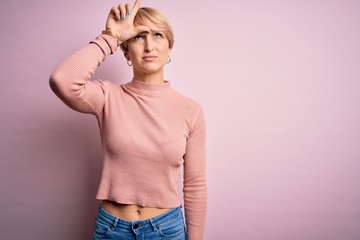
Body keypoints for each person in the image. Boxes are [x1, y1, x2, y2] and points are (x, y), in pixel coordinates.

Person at [49, 0, 207, 239]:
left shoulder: (191, 110)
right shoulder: (107, 97)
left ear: (169, 48)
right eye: (138, 36)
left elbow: (195, 185)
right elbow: (62, 80)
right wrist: (111, 36)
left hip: (166, 230)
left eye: (157, 35)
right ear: (126, 52)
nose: (149, 45)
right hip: (112, 229)